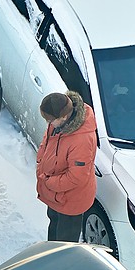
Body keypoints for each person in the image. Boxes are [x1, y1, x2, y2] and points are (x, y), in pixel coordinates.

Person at [35, 91, 97, 242]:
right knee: (54, 226)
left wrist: (49, 182)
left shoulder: (81, 140)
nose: (48, 124)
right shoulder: (58, 123)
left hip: (71, 201)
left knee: (65, 243)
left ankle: (62, 265)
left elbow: (76, 177)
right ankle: (51, 257)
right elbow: (47, 142)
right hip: (55, 195)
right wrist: (40, 163)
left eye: (50, 120)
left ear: (63, 117)